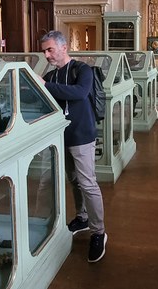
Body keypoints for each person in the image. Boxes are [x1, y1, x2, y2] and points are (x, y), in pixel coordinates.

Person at [38, 30, 107, 263]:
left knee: (88, 183)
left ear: (64, 47)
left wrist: (44, 85)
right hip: (61, 136)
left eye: (50, 49)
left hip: (82, 135)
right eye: (44, 51)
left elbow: (80, 93)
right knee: (74, 180)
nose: (46, 55)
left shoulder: (82, 69)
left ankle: (99, 232)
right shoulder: (52, 75)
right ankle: (82, 217)